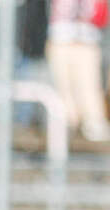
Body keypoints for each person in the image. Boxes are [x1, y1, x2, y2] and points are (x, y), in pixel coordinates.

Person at [47, 0, 110, 142]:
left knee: (89, 84)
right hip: (60, 39)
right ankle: (69, 123)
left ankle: (93, 122)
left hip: (86, 41)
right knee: (63, 85)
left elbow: (102, 17)